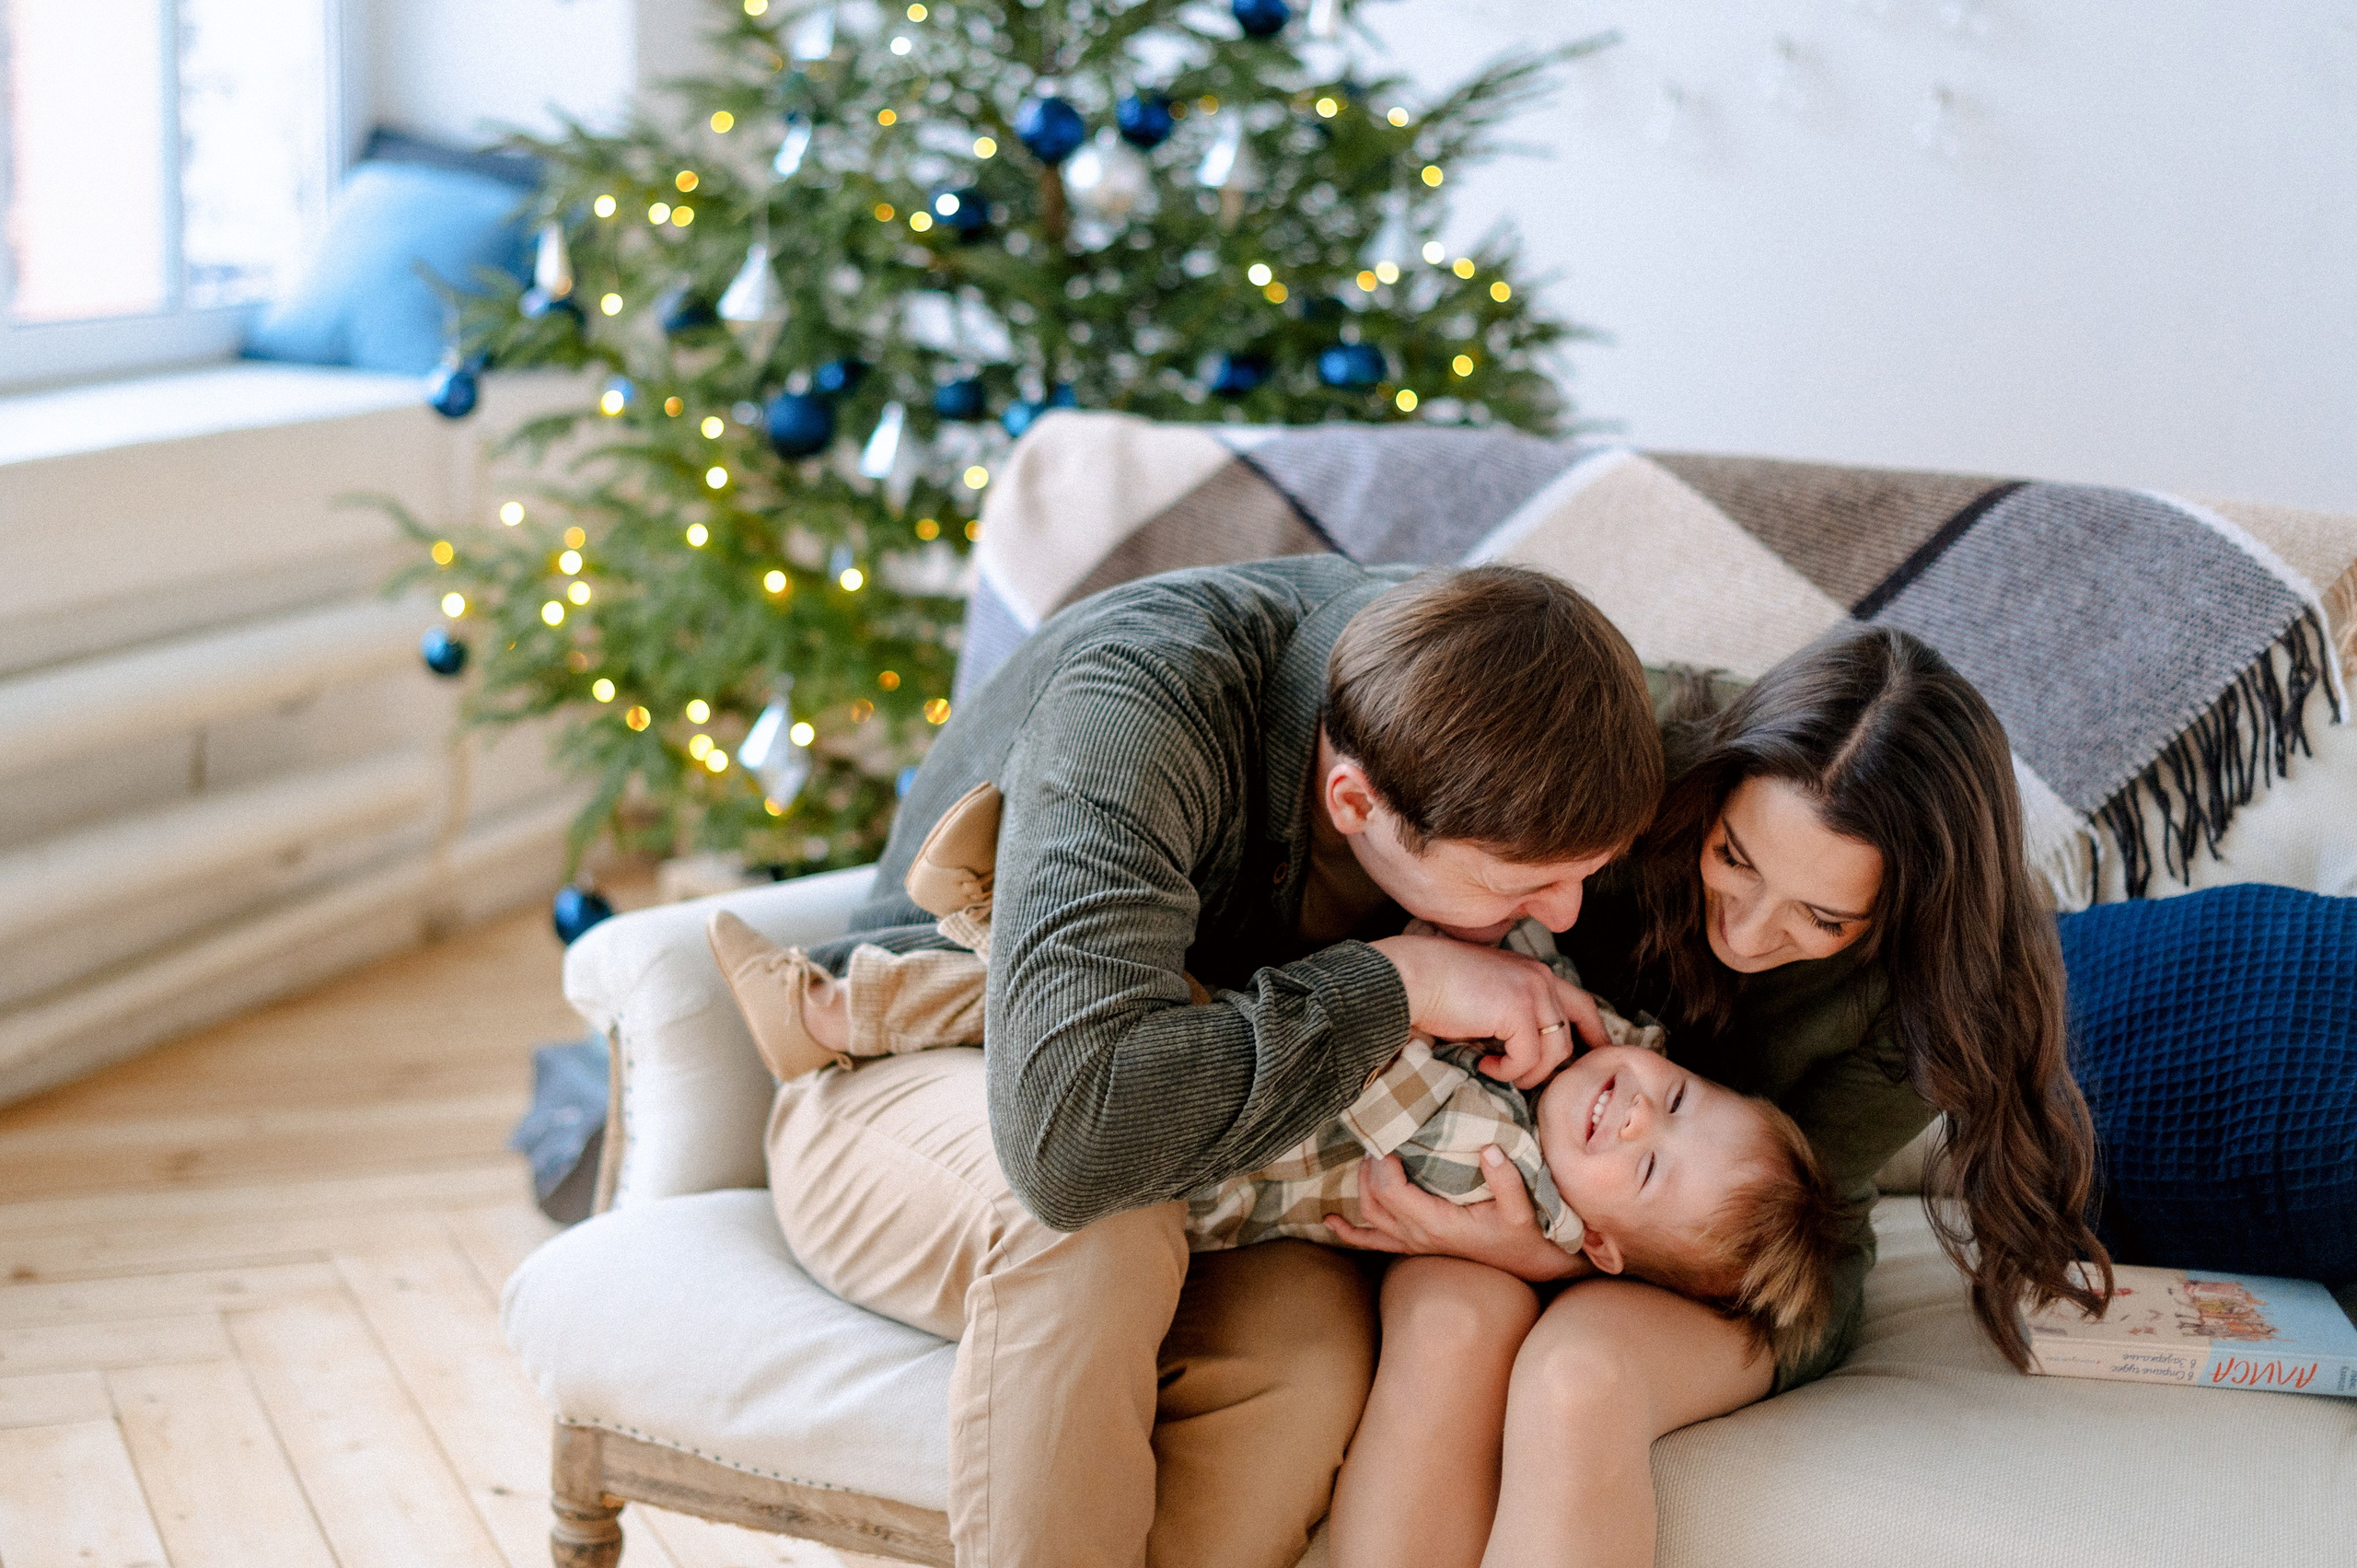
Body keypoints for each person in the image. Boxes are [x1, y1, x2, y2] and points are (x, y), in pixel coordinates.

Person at [734, 557, 1667, 1568]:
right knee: (1096, 1227)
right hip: (905, 1064)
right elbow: (1072, 1140)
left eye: (1587, 872)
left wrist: (1557, 1250)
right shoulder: (1145, 700)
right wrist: (1398, 982)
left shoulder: (1522, 706)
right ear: (1353, 801)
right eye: (1520, 884)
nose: (1565, 913)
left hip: (1214, 1176)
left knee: (1308, 1359)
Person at [1322, 627, 2114, 1568]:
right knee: (1451, 1323)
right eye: (1734, 856)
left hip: (1737, 1263)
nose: (1745, 931)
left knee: (1580, 1378)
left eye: (1822, 917)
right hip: (1509, 1145)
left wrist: (1555, 1258)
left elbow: (1772, 1219)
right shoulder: (1631, 753)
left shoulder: (1946, 996)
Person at [714, 888, 1853, 1357]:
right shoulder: (1601, 1051)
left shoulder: (1502, 1176)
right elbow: (1515, 945)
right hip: (1233, 1050)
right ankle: (872, 987)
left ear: (1596, 1243)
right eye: (1678, 1098)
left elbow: (1376, 1052)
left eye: (1646, 1170)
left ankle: (850, 1001)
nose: (1635, 1113)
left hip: (1203, 1150)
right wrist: (1531, 986)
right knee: (1085, 1004)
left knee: (1102, 1023)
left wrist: (1440, 976)